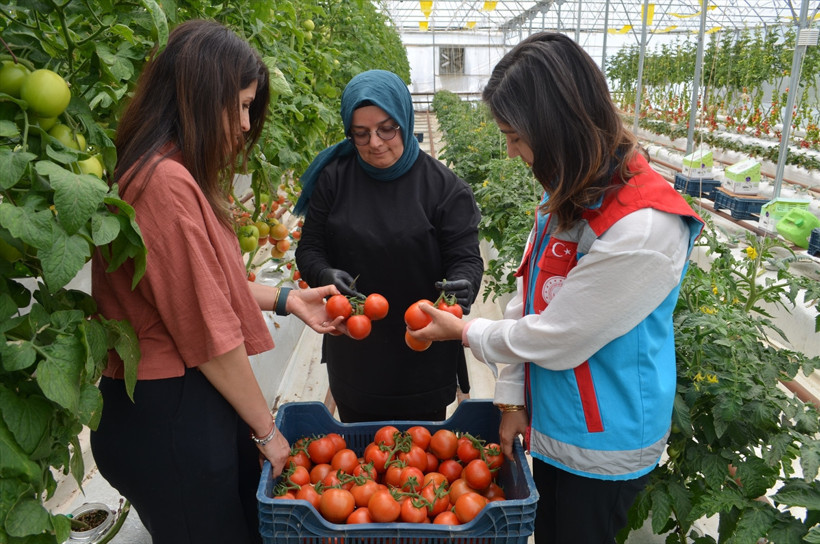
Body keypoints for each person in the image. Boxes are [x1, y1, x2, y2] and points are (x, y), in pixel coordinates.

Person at [407, 33, 705, 543]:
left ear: (556, 127)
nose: (511, 151)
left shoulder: (643, 228)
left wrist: (465, 332)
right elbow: (530, 291)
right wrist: (510, 397)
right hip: (554, 423)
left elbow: (557, 335)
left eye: (516, 137)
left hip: (599, 447)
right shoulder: (571, 191)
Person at [90, 20, 341, 544]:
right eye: (242, 105)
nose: (247, 125)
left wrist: (288, 298)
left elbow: (200, 285)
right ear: (202, 96)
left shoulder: (157, 169)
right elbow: (209, 336)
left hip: (165, 407)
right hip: (170, 412)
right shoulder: (164, 184)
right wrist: (268, 433)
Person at [293, 69, 484, 423]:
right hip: (355, 350)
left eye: (386, 128)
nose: (376, 143)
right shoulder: (335, 179)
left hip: (423, 349)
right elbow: (309, 248)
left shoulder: (443, 188)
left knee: (426, 458)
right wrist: (323, 272)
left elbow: (466, 259)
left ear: (405, 119)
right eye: (361, 134)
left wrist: (464, 284)